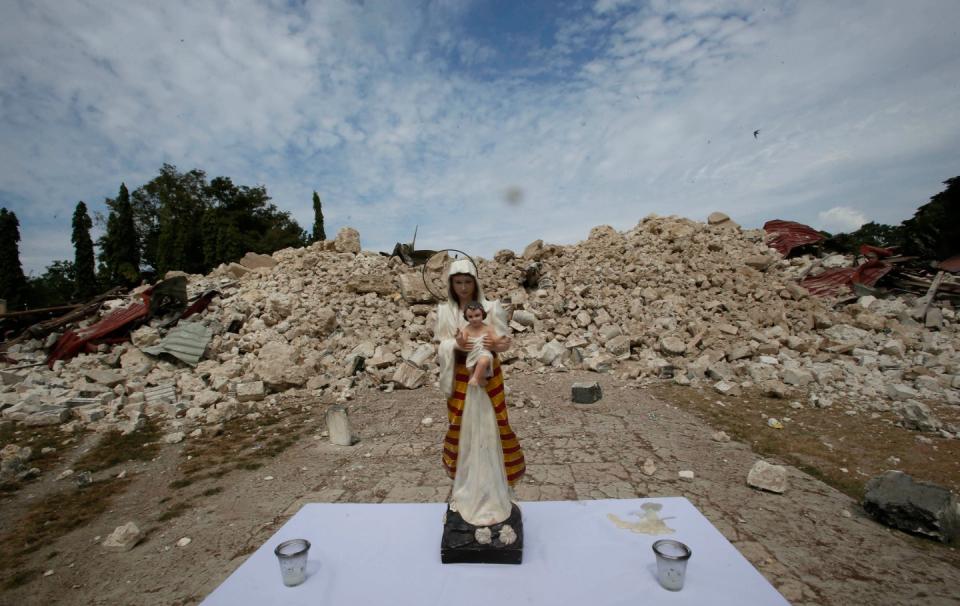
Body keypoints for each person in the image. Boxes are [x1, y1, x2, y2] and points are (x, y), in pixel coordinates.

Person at [435, 258, 525, 527]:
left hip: (487, 378)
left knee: (492, 426)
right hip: (460, 378)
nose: (463, 287)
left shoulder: (491, 308)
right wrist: (456, 346)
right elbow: (440, 344)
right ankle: (466, 490)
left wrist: (498, 343)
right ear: (451, 285)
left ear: (476, 282)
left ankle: (494, 489)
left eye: (467, 282)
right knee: (463, 429)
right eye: (458, 282)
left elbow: (504, 343)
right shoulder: (444, 311)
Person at [460, 301, 496, 387]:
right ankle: (480, 380)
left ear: (482, 315)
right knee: (470, 368)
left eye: (477, 315)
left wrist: (493, 342)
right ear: (466, 317)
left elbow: (495, 339)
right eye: (470, 317)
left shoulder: (488, 328)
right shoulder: (466, 329)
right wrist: (458, 338)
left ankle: (475, 378)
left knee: (483, 361)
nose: (474, 319)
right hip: (473, 354)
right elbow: (463, 342)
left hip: (484, 353)